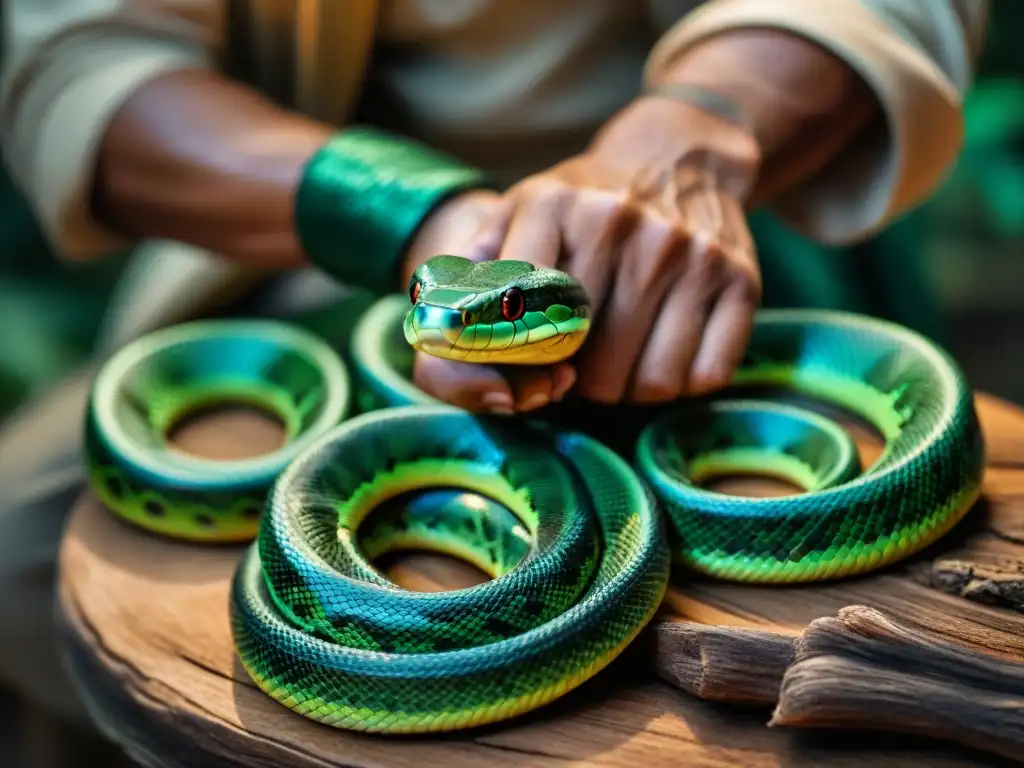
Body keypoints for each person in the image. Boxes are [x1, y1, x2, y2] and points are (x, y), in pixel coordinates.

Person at [0, 0, 989, 731]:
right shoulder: (444, 285)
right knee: (19, 546)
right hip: (315, 236)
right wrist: (423, 220)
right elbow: (84, 64)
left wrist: (697, 130)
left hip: (723, 238)